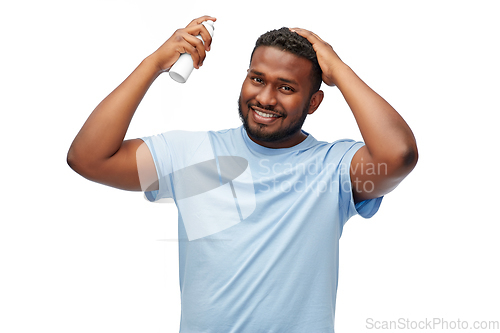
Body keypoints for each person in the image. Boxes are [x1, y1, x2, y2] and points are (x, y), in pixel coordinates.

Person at [67, 15, 418, 333]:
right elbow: (88, 158)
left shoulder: (334, 168)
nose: (265, 98)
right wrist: (153, 64)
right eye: (257, 79)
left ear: (313, 102)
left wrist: (339, 70)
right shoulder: (191, 155)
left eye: (286, 87)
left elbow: (399, 154)